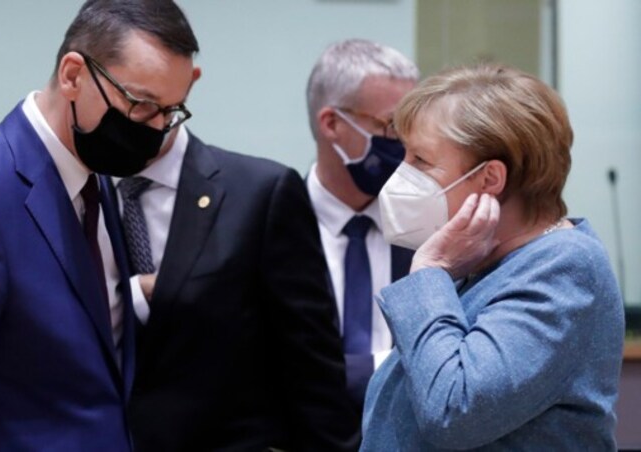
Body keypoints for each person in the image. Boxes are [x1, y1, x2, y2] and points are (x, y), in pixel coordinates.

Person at [0, 1, 201, 450]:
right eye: (141, 106)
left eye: (171, 111)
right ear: (72, 75)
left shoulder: (96, 175)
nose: (156, 129)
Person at [120, 16, 356, 452]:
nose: (150, 121)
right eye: (136, 101)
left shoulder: (260, 195)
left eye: (159, 104)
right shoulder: (74, 193)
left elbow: (312, 371)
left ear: (188, 84)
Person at [360, 64, 625, 450]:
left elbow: (455, 409)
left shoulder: (564, 267)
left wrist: (430, 272)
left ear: (490, 180)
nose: (401, 175)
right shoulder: (486, 260)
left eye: (421, 160)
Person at [304, 39, 418, 420]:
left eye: (411, 128)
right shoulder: (267, 225)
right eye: (391, 126)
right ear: (332, 123)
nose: (404, 145)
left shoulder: (431, 229)